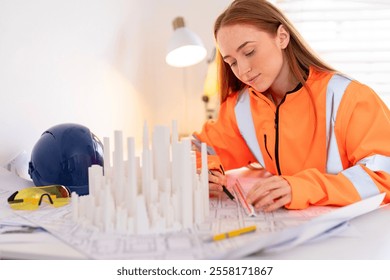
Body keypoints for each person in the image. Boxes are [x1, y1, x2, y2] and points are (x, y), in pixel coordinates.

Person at [192, 0, 390, 212]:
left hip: (357, 234)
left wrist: (300, 188)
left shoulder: (351, 98)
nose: (243, 70)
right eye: (231, 62)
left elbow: (383, 177)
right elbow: (196, 148)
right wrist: (207, 171)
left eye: (249, 52)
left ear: (282, 37)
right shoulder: (242, 107)